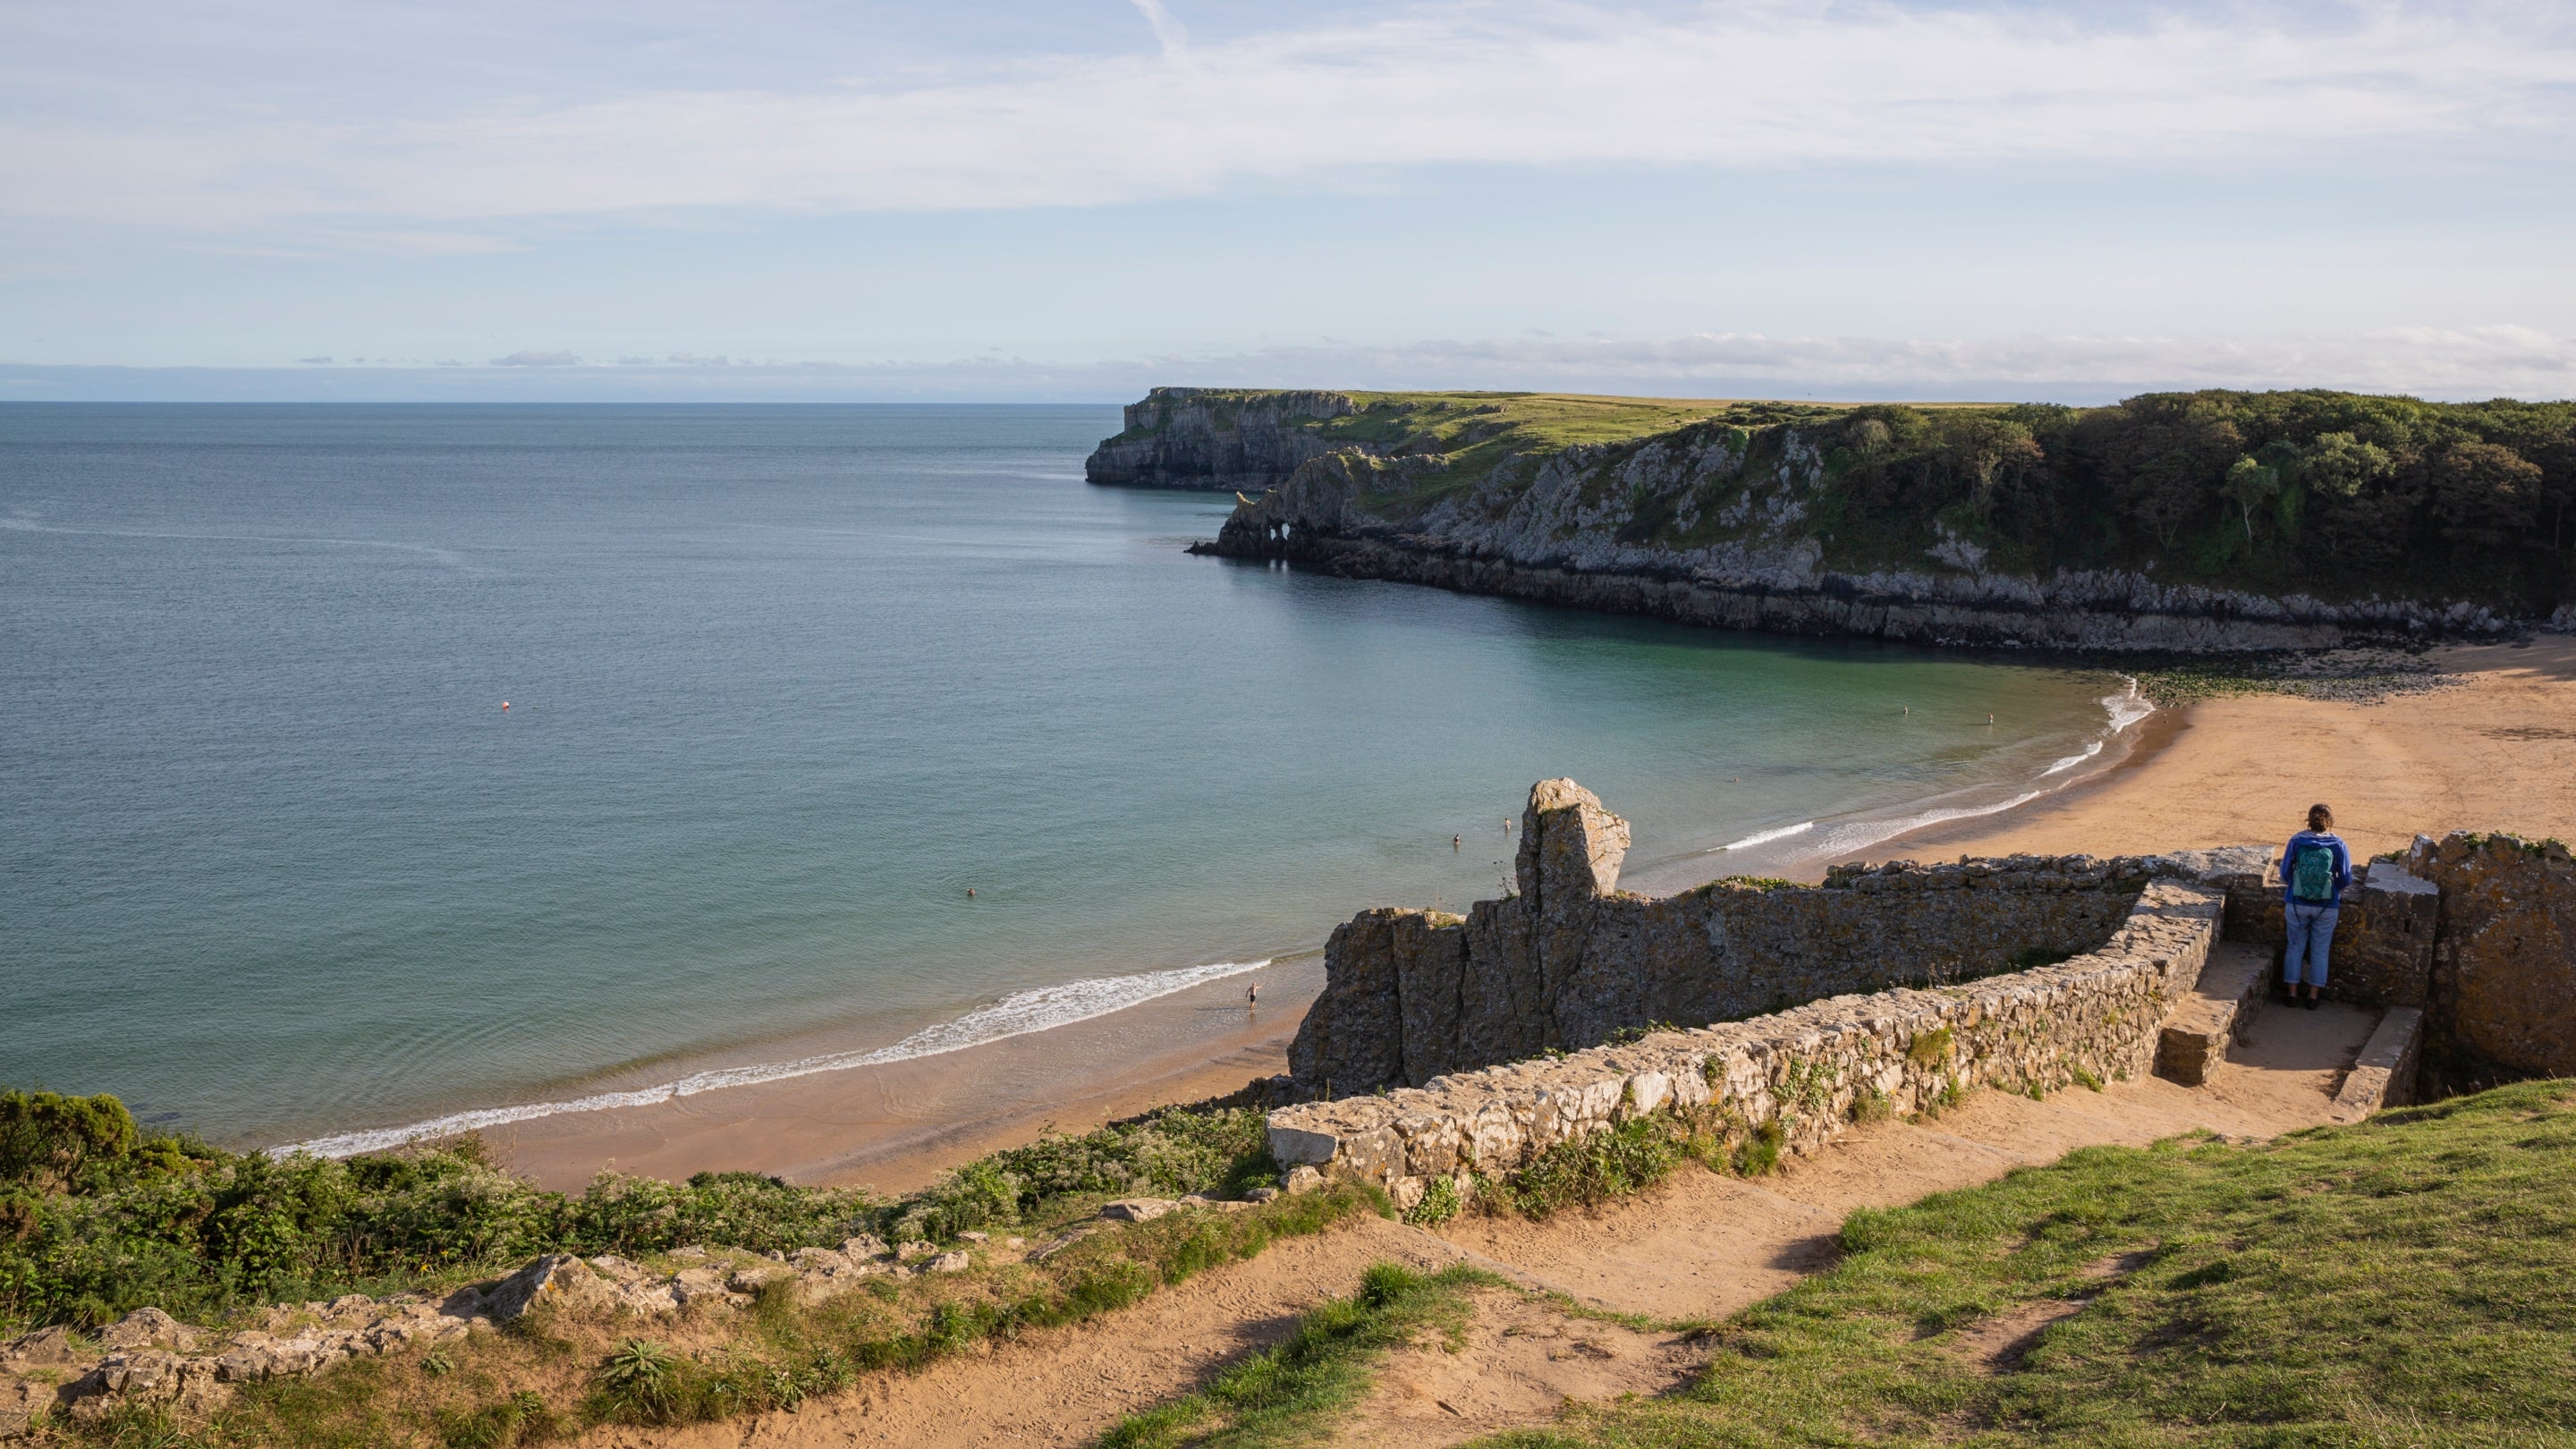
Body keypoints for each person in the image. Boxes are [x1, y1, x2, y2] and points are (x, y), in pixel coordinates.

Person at [2278, 803, 2352, 1010]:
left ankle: (2292, 994)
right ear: (2330, 821)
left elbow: (2284, 874)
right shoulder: (2338, 843)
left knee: (2295, 947)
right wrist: (2331, 890)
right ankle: (2313, 997)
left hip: (2296, 903)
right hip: (2327, 906)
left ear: (2308, 820)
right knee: (2320, 950)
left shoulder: (2296, 840)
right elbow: (2346, 878)